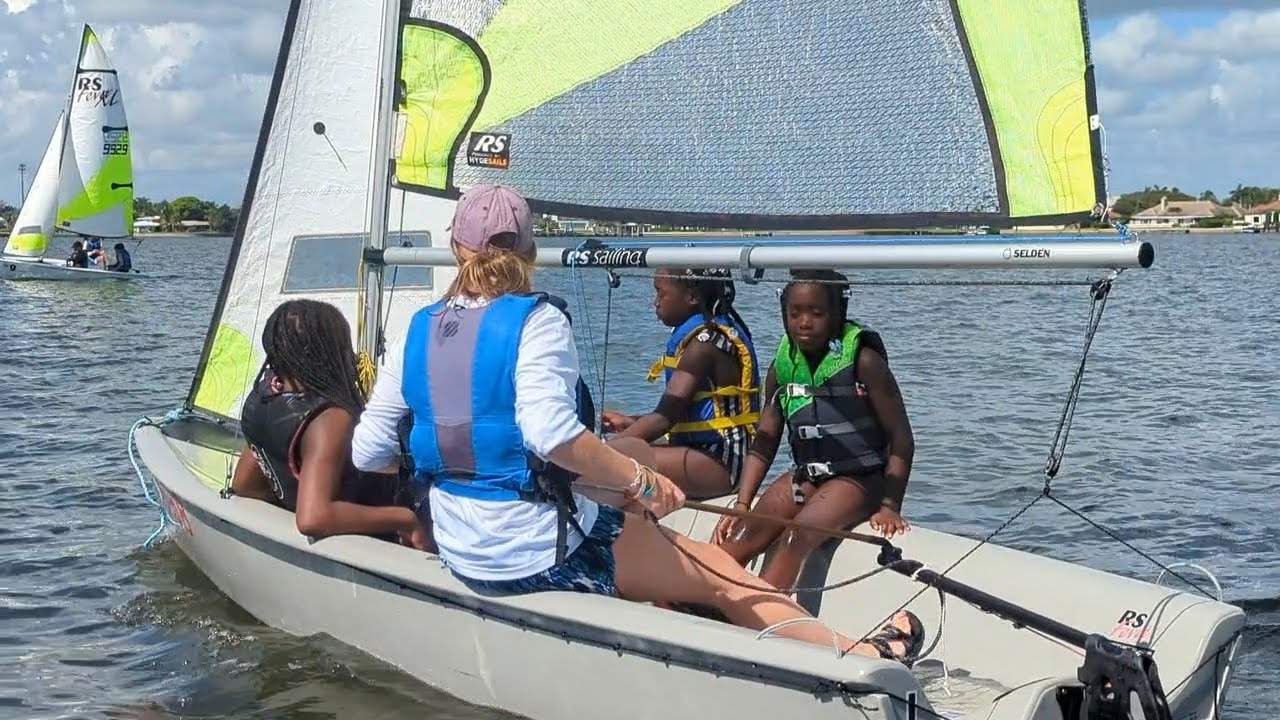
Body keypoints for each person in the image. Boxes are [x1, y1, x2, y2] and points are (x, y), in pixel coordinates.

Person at [351, 185, 923, 664]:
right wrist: (640, 480)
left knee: (622, 509)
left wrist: (462, 459)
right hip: (532, 554)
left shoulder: (413, 332)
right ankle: (863, 658)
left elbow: (370, 452)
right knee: (723, 574)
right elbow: (551, 435)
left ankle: (674, 598)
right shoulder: (537, 321)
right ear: (528, 251)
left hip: (458, 544)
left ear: (454, 247)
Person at [714, 271, 914, 592]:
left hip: (860, 481)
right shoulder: (783, 367)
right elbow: (764, 442)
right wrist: (742, 503)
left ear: (837, 314)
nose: (804, 323)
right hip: (808, 476)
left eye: (816, 313)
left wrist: (891, 505)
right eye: (795, 314)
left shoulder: (865, 361)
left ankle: (760, 614)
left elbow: (901, 438)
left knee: (796, 536)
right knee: (744, 533)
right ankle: (702, 604)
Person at [231, 299, 430, 549]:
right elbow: (313, 518)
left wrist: (294, 498)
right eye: (343, 344)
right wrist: (405, 519)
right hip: (379, 539)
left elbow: (244, 484)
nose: (351, 353)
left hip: (318, 512)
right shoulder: (330, 417)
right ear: (323, 352)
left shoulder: (263, 397)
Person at [599, 269, 760, 499]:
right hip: (700, 453)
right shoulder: (699, 337)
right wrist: (630, 422)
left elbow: (664, 419)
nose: (655, 303)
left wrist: (600, 452)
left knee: (614, 462)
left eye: (660, 293)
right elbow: (682, 414)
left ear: (692, 297)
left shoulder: (704, 345)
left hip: (724, 463)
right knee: (620, 453)